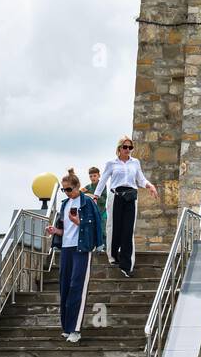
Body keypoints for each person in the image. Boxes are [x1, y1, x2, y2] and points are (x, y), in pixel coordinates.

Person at [46, 168, 103, 343]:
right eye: (64, 190)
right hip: (66, 248)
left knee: (77, 287)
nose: (66, 192)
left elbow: (96, 226)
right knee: (65, 287)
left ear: (77, 186)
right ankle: (66, 327)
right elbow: (66, 230)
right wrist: (55, 230)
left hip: (82, 249)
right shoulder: (64, 204)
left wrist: (80, 222)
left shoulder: (87, 202)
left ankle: (75, 329)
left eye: (69, 189)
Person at [94, 136, 158, 277]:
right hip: (115, 196)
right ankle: (113, 256)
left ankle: (127, 265)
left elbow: (140, 179)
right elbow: (103, 179)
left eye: (130, 147)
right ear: (119, 148)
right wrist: (96, 195)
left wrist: (150, 185)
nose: (128, 150)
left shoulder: (135, 163)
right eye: (125, 147)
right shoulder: (111, 163)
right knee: (114, 227)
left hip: (131, 197)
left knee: (128, 230)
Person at [83, 166, 107, 250]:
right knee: (91, 230)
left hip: (101, 212)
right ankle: (93, 246)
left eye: (94, 175)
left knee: (102, 230)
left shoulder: (103, 186)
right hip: (91, 213)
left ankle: (104, 247)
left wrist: (94, 196)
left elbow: (103, 199)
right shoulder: (87, 187)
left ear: (99, 175)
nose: (92, 178)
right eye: (91, 176)